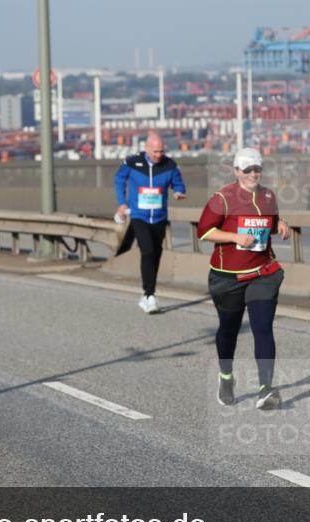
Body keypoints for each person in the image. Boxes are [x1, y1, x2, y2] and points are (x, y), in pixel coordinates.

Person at [196, 148, 289, 410]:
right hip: (228, 277)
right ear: (236, 171)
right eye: (247, 170)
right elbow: (204, 232)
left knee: (263, 328)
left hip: (263, 273)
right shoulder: (222, 198)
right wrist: (235, 238)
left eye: (257, 169)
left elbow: (266, 223)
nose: (253, 174)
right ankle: (226, 377)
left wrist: (279, 223)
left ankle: (266, 389)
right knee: (229, 330)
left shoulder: (269, 195)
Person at [115, 132, 186, 313]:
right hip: (139, 216)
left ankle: (148, 293)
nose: (158, 155)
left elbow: (177, 182)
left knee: (156, 253)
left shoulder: (169, 165)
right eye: (155, 151)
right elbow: (119, 178)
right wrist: (122, 203)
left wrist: (178, 191)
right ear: (146, 149)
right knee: (147, 251)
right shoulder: (133, 163)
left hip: (160, 217)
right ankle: (149, 295)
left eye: (161, 151)